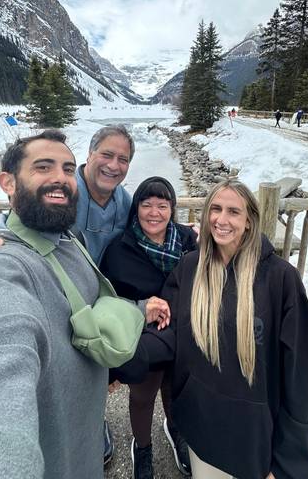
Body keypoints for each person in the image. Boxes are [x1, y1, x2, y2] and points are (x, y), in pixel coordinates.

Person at [0, 129, 144, 478]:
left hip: (82, 448)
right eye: (43, 167)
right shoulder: (0, 265)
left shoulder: (67, 236)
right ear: (7, 182)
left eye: (66, 168)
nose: (59, 178)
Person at [161, 179, 308, 479]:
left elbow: (301, 376)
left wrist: (288, 462)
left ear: (249, 222)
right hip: (201, 430)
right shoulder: (190, 268)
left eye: (233, 212)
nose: (222, 220)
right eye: (216, 209)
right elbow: (169, 335)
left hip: (254, 440)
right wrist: (119, 359)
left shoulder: (280, 280)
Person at [101, 177, 197, 479]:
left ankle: (176, 430)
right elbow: (108, 301)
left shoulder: (186, 240)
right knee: (143, 396)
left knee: (175, 390)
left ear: (172, 209)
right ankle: (142, 447)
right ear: (136, 209)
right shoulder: (119, 249)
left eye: (162, 205)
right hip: (144, 340)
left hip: (182, 333)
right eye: (146, 204)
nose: (154, 212)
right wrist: (143, 307)